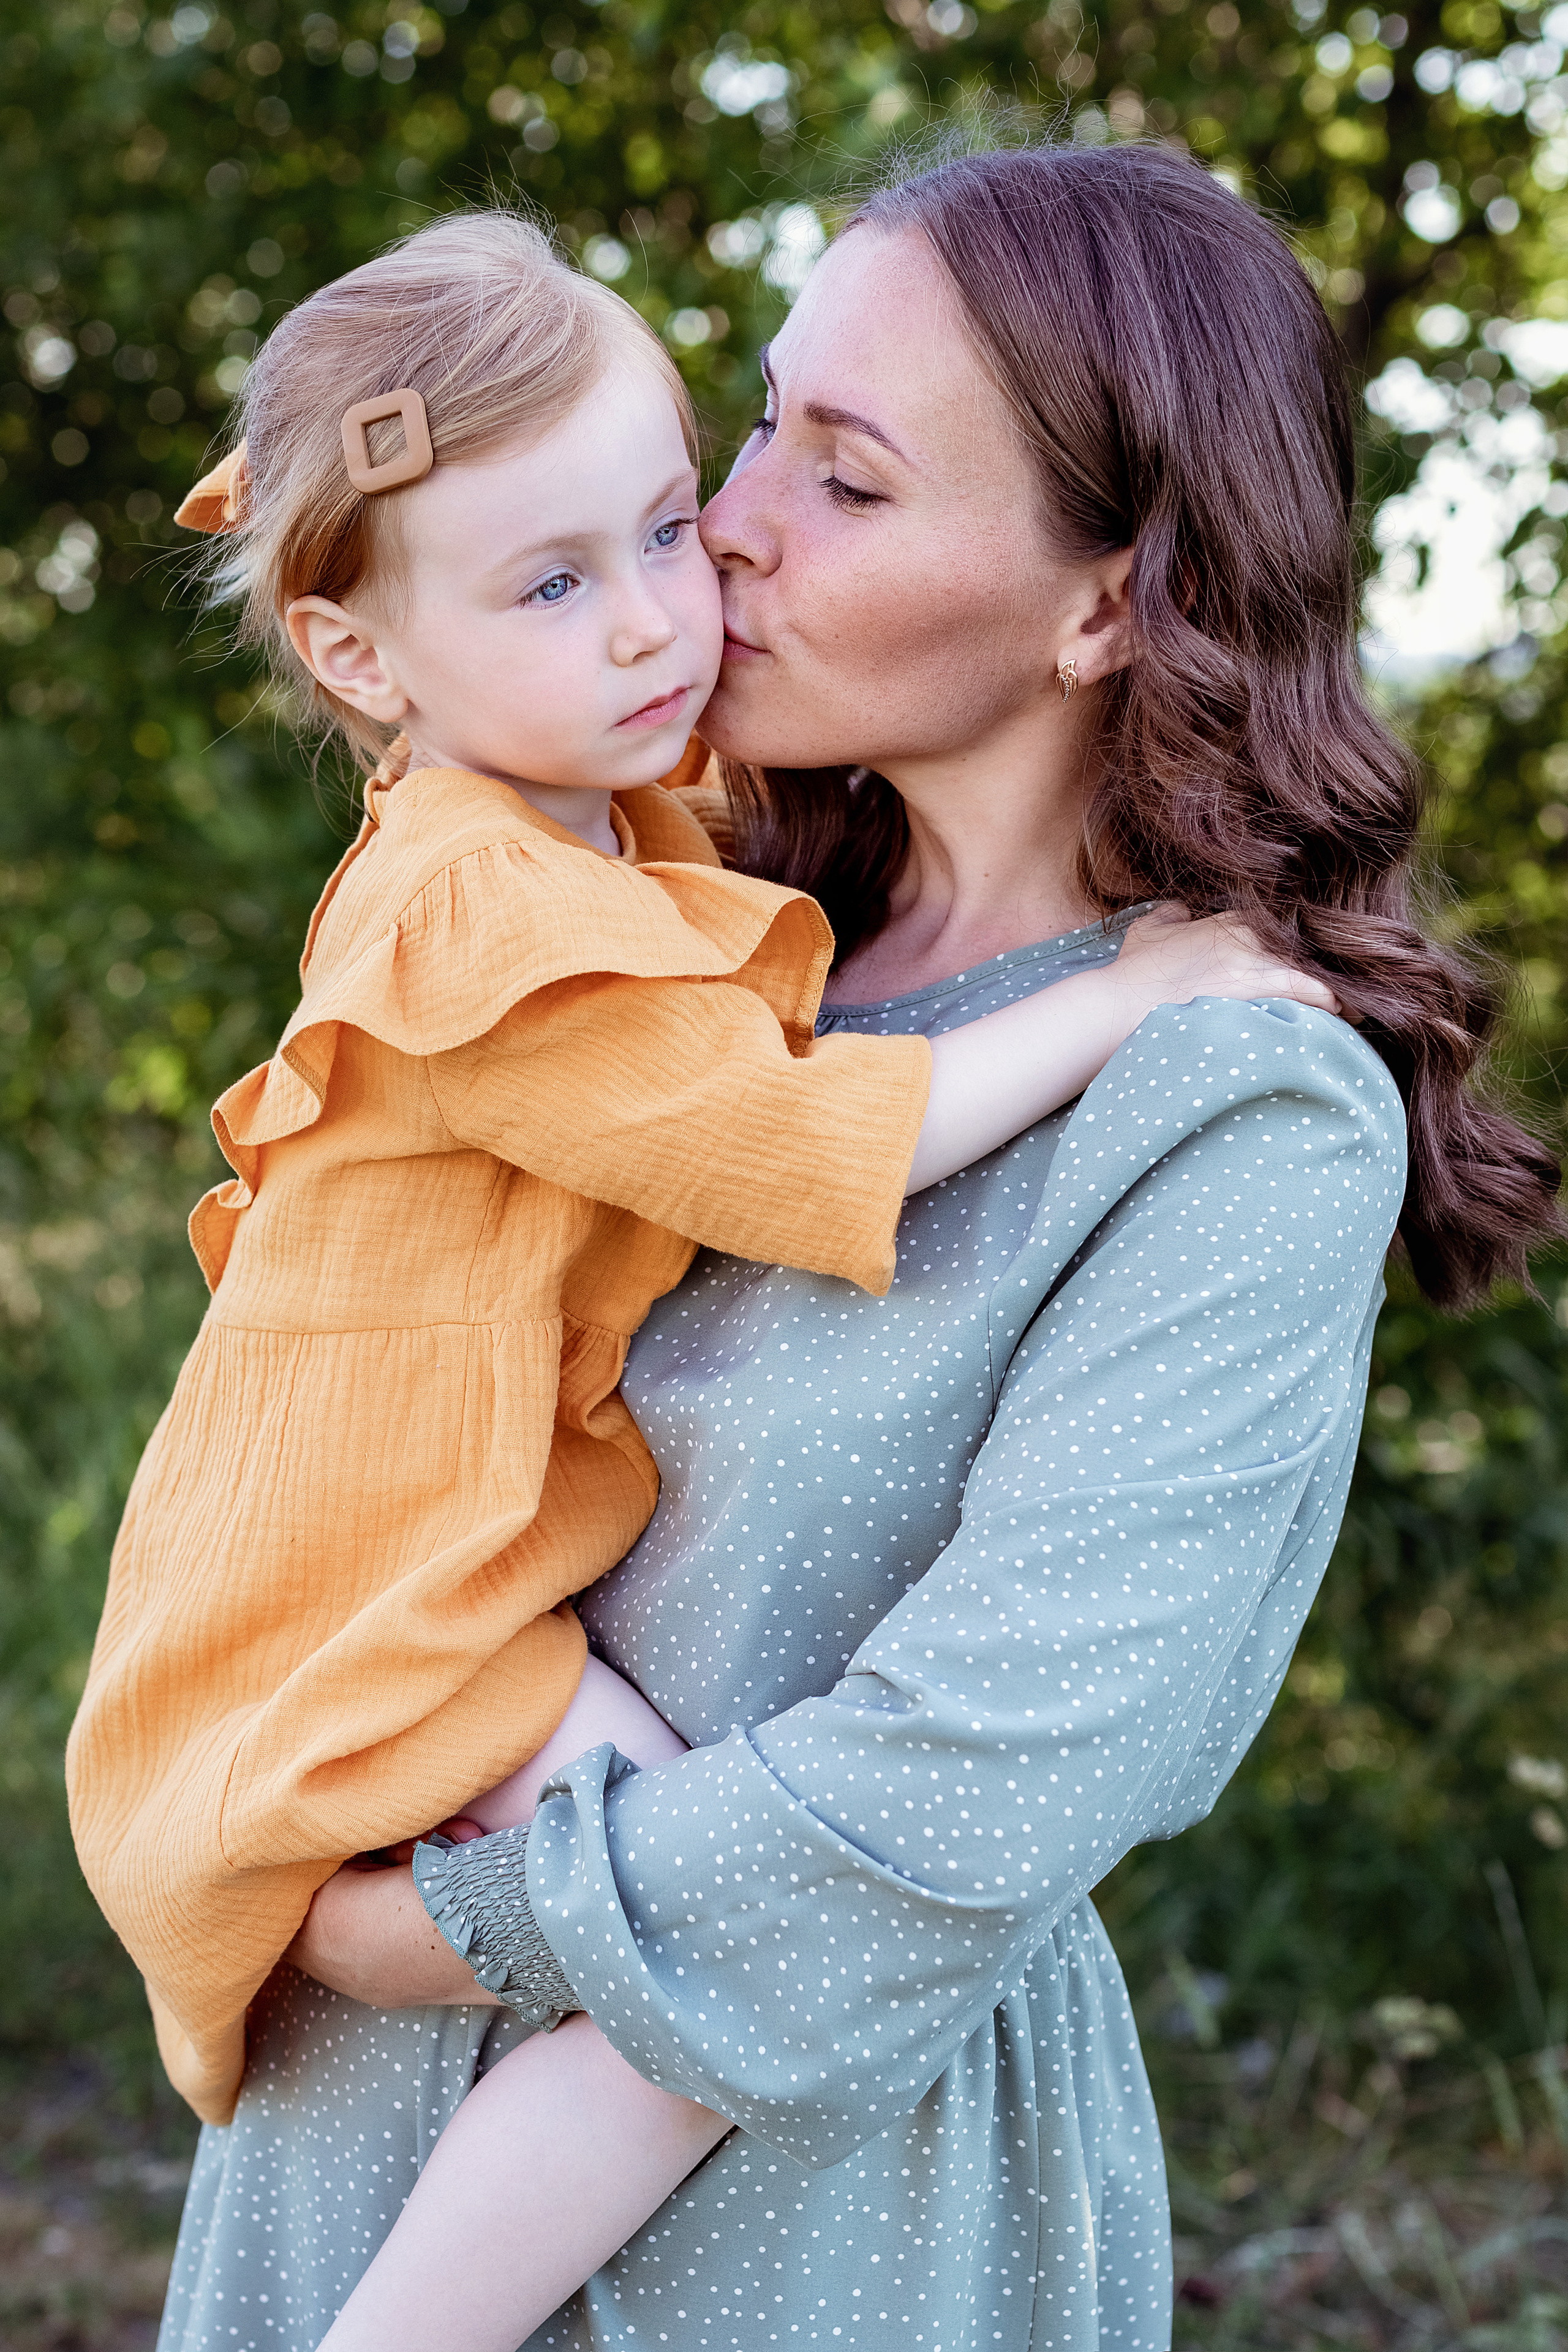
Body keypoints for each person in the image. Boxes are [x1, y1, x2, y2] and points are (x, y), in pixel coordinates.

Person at [156, 145, 1560, 2352]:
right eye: (761, 424)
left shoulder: (1233, 1097)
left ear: (1106, 604)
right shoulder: (675, 927)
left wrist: (420, 1927)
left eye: (851, 477)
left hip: (799, 2212)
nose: (724, 529)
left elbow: (972, 1784)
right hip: (349, 2164)